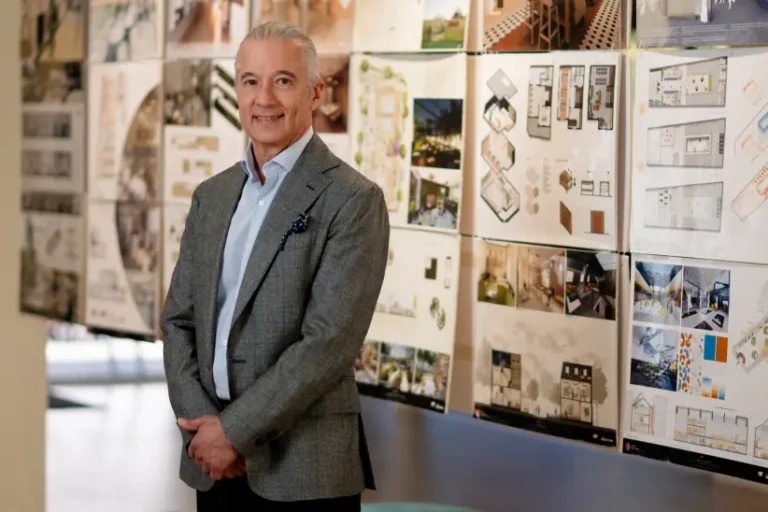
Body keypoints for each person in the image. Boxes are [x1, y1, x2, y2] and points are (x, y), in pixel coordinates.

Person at [161, 20, 389, 512]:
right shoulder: (213, 196)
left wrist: (235, 432)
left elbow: (328, 344)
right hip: (213, 462)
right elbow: (179, 318)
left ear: (315, 92)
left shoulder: (352, 200)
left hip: (303, 473)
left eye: (283, 80)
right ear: (237, 91)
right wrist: (203, 425)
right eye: (250, 81)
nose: (264, 98)